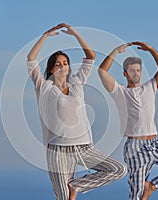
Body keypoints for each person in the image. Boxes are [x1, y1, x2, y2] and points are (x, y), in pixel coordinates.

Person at [26, 23, 126, 200]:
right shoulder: (44, 87)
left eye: (65, 63)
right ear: (51, 69)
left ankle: (77, 185)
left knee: (118, 170)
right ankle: (70, 189)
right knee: (64, 198)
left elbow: (90, 56)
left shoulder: (77, 83)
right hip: (58, 151)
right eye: (58, 64)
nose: (62, 66)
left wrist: (75, 34)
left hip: (84, 147)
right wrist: (45, 36)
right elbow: (31, 59)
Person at [98, 41, 158, 200]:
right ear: (125, 74)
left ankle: (152, 186)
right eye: (132, 71)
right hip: (136, 148)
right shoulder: (120, 92)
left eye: (138, 70)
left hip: (154, 144)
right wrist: (115, 51)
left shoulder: (150, 87)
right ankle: (145, 189)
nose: (136, 74)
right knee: (136, 196)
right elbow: (102, 71)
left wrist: (151, 50)